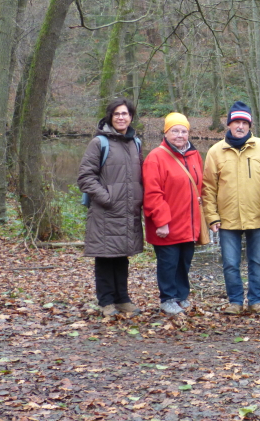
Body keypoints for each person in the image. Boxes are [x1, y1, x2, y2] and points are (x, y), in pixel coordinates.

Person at [202, 101, 260, 315]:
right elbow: (208, 188)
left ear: (250, 125)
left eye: (244, 122)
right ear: (229, 125)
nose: (240, 126)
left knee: (258, 261)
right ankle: (235, 301)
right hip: (227, 219)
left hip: (258, 217)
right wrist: (212, 218)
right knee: (230, 263)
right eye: (236, 122)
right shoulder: (215, 151)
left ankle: (255, 300)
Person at [78, 98, 144, 317]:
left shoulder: (135, 143)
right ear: (110, 117)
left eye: (125, 114)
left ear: (131, 117)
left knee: (121, 256)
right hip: (105, 211)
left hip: (128, 212)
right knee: (105, 257)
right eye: (117, 114)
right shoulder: (99, 143)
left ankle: (122, 298)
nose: (121, 117)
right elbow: (85, 177)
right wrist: (108, 198)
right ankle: (106, 301)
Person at [142, 113, 203, 315]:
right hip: (167, 224)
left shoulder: (194, 155)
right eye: (174, 131)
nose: (179, 135)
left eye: (183, 131)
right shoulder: (155, 157)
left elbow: (199, 187)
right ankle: (167, 298)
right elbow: (152, 193)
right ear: (166, 133)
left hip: (189, 222)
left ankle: (181, 296)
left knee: (184, 261)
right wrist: (161, 221)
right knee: (168, 263)